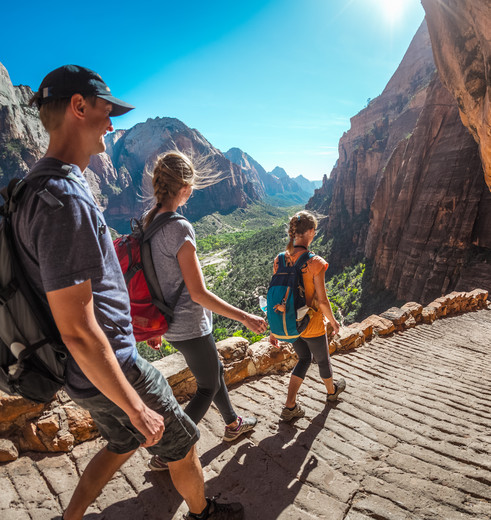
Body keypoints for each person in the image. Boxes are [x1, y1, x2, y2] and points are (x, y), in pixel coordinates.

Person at [16, 64, 244, 520]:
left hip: (80, 371)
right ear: (79, 107)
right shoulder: (65, 199)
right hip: (112, 367)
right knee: (181, 441)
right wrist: (135, 406)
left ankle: (71, 516)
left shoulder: (29, 189)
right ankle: (205, 513)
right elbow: (79, 328)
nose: (113, 123)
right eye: (107, 109)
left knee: (122, 442)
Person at [143, 151, 267, 471]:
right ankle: (170, 451)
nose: (193, 191)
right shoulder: (179, 226)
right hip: (190, 324)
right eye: (191, 185)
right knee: (207, 385)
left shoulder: (149, 221)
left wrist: (154, 327)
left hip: (169, 323)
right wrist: (245, 317)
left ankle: (232, 423)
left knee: (214, 373)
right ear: (183, 186)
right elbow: (198, 293)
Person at [269, 210, 346, 421]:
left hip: (290, 324)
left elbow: (277, 295)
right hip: (310, 324)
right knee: (322, 360)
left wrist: (273, 328)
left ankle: (290, 405)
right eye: (315, 230)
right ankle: (332, 393)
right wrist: (333, 321)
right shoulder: (315, 263)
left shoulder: (280, 259)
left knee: (303, 358)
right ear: (311, 232)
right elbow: (322, 301)